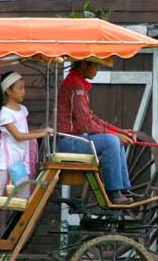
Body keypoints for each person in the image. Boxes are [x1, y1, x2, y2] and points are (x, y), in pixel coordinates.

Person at [55, 58, 139, 204]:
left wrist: (120, 132)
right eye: (95, 66)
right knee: (112, 141)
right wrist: (115, 135)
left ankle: (123, 189)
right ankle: (113, 192)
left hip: (78, 140)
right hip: (69, 142)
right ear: (83, 65)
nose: (97, 70)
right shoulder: (75, 86)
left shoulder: (78, 83)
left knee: (116, 141)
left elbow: (93, 118)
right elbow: (86, 124)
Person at [0, 71, 52, 240]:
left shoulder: (23, 110)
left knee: (24, 197)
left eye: (24, 88)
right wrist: (41, 133)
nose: (23, 92)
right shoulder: (5, 113)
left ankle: (16, 237)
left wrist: (42, 132)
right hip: (5, 159)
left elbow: (25, 132)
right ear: (9, 91)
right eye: (20, 88)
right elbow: (18, 136)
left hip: (20, 161)